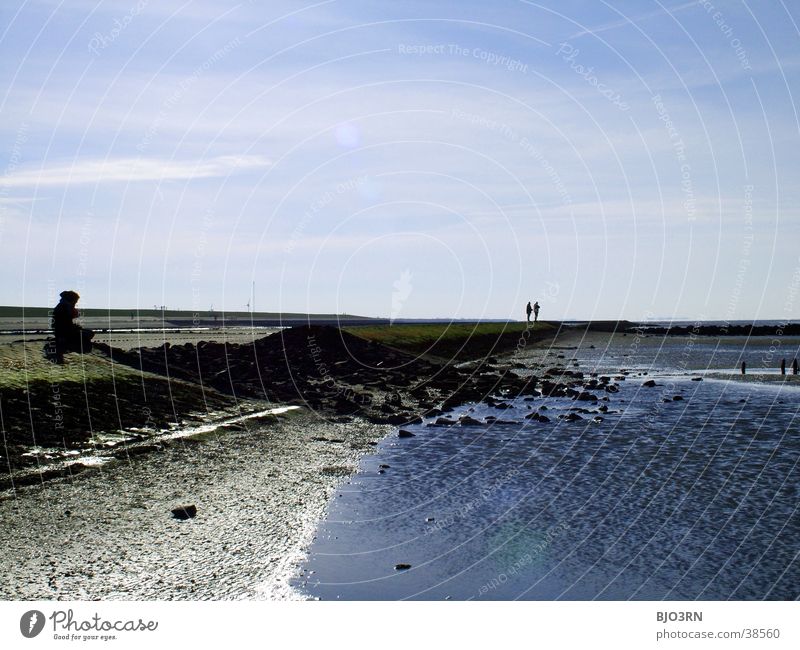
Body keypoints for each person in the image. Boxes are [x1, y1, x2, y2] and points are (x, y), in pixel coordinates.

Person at [50, 290, 94, 363]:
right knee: (88, 334)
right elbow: (63, 324)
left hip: (63, 331)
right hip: (64, 332)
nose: (76, 303)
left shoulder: (63, 306)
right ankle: (68, 341)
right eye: (75, 301)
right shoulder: (64, 307)